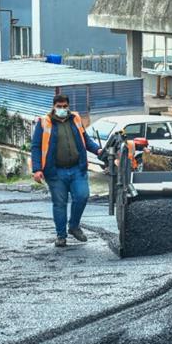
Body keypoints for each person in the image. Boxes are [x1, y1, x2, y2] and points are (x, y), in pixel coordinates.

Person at [31, 94, 101, 247]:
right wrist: (37, 169)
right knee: (59, 203)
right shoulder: (44, 123)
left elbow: (86, 140)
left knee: (82, 196)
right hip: (55, 172)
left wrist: (98, 150)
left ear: (68, 106)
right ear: (53, 106)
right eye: (59, 106)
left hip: (77, 168)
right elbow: (36, 147)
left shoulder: (75, 119)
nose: (62, 109)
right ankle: (61, 236)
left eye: (64, 106)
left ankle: (74, 226)